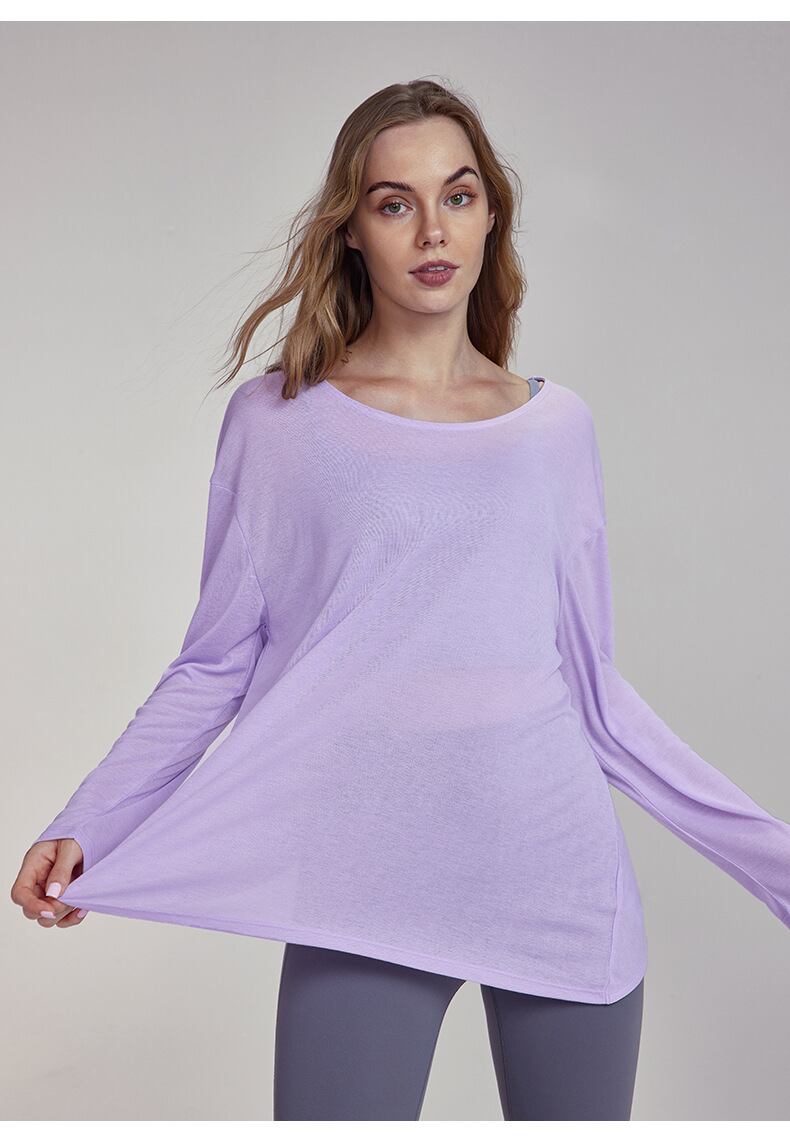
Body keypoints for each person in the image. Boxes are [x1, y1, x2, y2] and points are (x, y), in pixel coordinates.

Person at [12, 79, 789, 1122]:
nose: (432, 230)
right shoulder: (281, 422)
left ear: (491, 214)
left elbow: (596, 695)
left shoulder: (555, 430)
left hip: (554, 872)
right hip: (360, 877)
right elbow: (215, 662)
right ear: (352, 229)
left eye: (457, 196)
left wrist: (776, 863)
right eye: (395, 203)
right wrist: (91, 822)